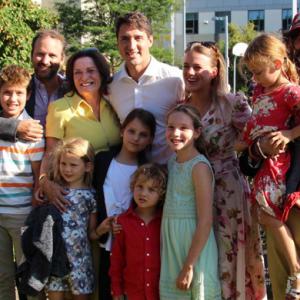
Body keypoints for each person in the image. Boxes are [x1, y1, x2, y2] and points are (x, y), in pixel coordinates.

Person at [183, 42, 266, 299]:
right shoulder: (181, 108)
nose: (190, 72)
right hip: (191, 192)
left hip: (227, 191)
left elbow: (256, 136)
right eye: (186, 66)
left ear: (214, 70)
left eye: (198, 67)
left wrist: (236, 146)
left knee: (229, 255)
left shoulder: (232, 104)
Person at [241, 33, 300, 300]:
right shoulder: (261, 91)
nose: (255, 79)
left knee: (269, 215)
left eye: (258, 72)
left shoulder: (290, 91)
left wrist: (289, 135)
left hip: (281, 169)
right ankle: (293, 274)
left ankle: (296, 272)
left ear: (277, 64)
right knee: (267, 216)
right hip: (266, 165)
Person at [41, 48, 121, 210]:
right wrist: (44, 182)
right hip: (79, 196)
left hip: (116, 191)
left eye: (91, 71)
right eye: (78, 72)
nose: (84, 77)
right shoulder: (60, 108)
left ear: (101, 73)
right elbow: (50, 153)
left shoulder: (114, 103)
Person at [93, 108, 156, 300]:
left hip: (133, 249)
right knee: (106, 291)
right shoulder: (102, 160)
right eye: (131, 131)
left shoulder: (147, 171)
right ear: (122, 131)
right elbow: (92, 197)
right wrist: (98, 228)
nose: (136, 138)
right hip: (105, 244)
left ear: (150, 140)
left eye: (143, 134)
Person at [160, 104, 221, 299]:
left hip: (193, 247)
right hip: (173, 243)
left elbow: (205, 221)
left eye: (183, 128)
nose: (175, 133)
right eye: (170, 127)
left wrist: (189, 266)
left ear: (197, 132)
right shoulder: (172, 162)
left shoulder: (199, 167)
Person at [108, 11, 184, 163]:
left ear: (150, 40)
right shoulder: (111, 87)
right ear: (117, 43)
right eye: (124, 38)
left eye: (138, 38)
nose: (131, 45)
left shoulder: (175, 79)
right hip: (129, 175)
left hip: (169, 171)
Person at [46, 137, 111, 299]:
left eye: (73, 165)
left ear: (87, 166)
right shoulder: (55, 193)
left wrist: (101, 229)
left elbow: (91, 234)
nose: (67, 169)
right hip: (55, 259)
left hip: (80, 261)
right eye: (63, 164)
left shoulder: (91, 196)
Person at [0, 65, 45, 300]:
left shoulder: (33, 130)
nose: (12, 98)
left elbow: (39, 175)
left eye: (19, 93)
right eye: (7, 92)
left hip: (22, 215)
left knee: (29, 276)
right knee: (3, 277)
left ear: (28, 95)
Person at [109, 163, 167, 300]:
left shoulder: (165, 222)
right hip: (132, 293)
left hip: (160, 293)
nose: (143, 193)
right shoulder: (123, 222)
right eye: (139, 187)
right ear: (132, 187)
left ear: (162, 194)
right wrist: (116, 290)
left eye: (151, 189)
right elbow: (117, 259)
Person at [0, 29, 67, 142]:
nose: (45, 61)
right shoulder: (16, 87)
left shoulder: (73, 89)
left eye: (52, 55)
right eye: (40, 54)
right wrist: (15, 127)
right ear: (31, 55)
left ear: (62, 59)